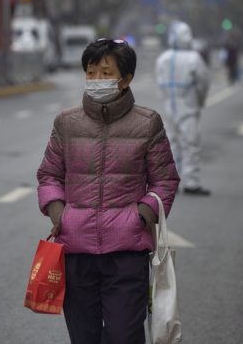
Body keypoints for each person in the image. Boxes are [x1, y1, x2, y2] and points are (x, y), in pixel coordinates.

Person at [37, 38, 180, 344]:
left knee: (123, 336)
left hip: (127, 252)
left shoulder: (147, 123)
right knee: (84, 337)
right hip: (75, 252)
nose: (97, 80)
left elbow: (165, 181)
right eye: (91, 73)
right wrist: (60, 215)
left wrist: (140, 217)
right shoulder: (66, 122)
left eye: (105, 73)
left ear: (126, 79)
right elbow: (49, 175)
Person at [156, 21, 211, 196]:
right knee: (191, 145)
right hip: (188, 107)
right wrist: (200, 102)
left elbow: (160, 83)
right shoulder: (194, 58)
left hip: (170, 108)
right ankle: (191, 182)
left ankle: (173, 182)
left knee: (172, 145)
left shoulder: (163, 58)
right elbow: (204, 83)